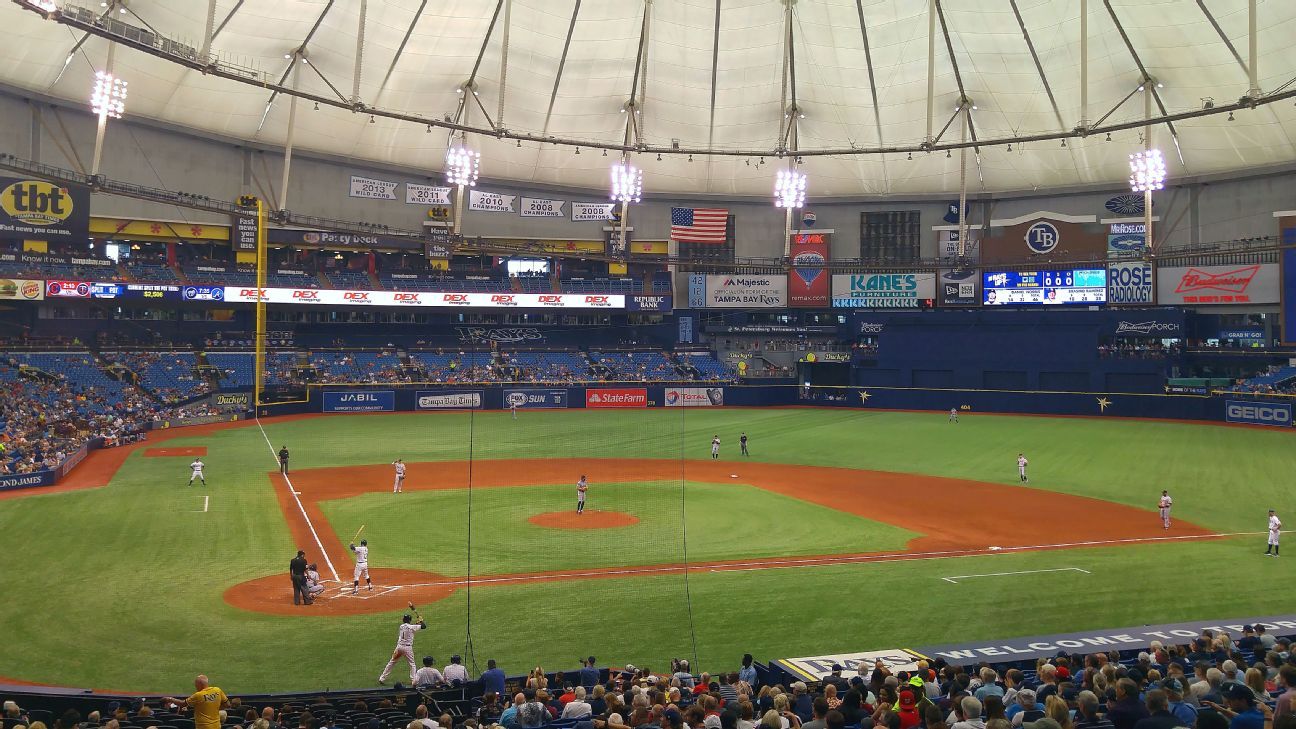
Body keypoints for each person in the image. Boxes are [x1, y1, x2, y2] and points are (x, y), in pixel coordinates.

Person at [163, 675, 230, 729]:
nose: (195, 686)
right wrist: (215, 709)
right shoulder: (217, 690)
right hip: (217, 726)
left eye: (196, 684)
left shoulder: (198, 695)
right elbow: (227, 704)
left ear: (199, 684)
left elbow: (183, 704)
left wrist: (170, 699)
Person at [378, 613, 427, 685]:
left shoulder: (401, 626)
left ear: (403, 620)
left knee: (392, 662)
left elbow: (410, 627)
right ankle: (413, 680)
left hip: (399, 648)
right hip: (407, 648)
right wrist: (421, 621)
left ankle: (382, 678)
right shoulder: (412, 627)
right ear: (410, 620)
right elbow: (424, 626)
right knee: (412, 664)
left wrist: (417, 623)